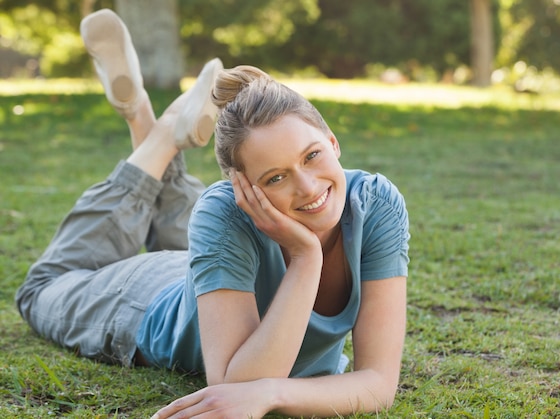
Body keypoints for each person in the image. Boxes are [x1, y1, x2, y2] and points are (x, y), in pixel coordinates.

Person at [15, 8, 410, 418]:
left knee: (199, 236)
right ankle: (162, 134)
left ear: (332, 141)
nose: (309, 188)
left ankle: (148, 121)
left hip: (215, 281)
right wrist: (306, 257)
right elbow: (237, 389)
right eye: (275, 178)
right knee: (42, 287)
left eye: (312, 155)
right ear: (243, 187)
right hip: (142, 301)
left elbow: (379, 384)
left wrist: (273, 394)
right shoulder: (222, 212)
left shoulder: (375, 204)